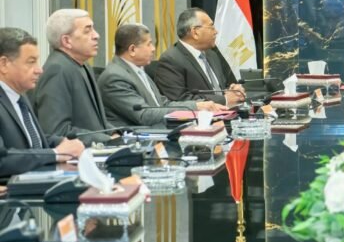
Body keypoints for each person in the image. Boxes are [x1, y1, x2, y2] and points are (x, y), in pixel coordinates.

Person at [99, 23, 227, 128]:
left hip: (157, 132)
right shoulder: (115, 77)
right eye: (149, 44)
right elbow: (143, 115)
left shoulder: (137, 70)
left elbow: (162, 104)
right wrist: (194, 109)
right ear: (132, 49)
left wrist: (199, 105)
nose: (153, 49)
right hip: (134, 140)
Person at [0, 28, 85, 177]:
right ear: (4, 64)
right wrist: (55, 153)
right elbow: (3, 160)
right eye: (31, 62)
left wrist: (60, 142)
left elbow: (30, 141)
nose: (39, 70)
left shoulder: (19, 96)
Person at [35, 9, 116, 145]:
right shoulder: (57, 70)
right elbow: (57, 131)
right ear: (67, 41)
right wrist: (105, 139)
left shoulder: (82, 65)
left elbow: (94, 121)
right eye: (87, 31)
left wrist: (114, 133)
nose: (96, 35)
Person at [154, 8, 245, 106]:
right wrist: (224, 100)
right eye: (211, 27)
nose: (216, 31)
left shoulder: (212, 55)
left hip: (226, 113)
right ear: (195, 32)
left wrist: (233, 91)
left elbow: (220, 88)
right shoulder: (171, 60)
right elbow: (180, 99)